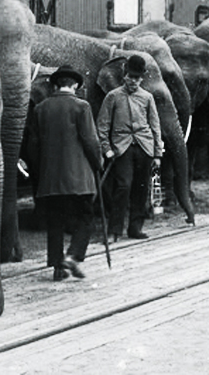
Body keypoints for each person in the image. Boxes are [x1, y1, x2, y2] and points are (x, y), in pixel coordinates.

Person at [28, 65, 103, 281]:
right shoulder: (82, 107)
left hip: (50, 178)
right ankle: (74, 255)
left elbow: (34, 144)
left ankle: (57, 268)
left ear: (55, 85)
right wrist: (98, 163)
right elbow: (91, 141)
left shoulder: (40, 108)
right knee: (85, 217)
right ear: (76, 85)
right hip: (79, 178)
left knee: (55, 221)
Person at [97, 54, 163, 240]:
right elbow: (102, 125)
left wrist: (157, 153)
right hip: (122, 148)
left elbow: (155, 126)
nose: (134, 81)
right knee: (123, 186)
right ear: (124, 76)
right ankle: (114, 231)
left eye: (137, 78)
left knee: (141, 188)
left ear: (142, 78)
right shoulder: (113, 97)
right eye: (131, 77)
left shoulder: (147, 97)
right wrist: (107, 149)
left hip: (144, 147)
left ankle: (135, 228)